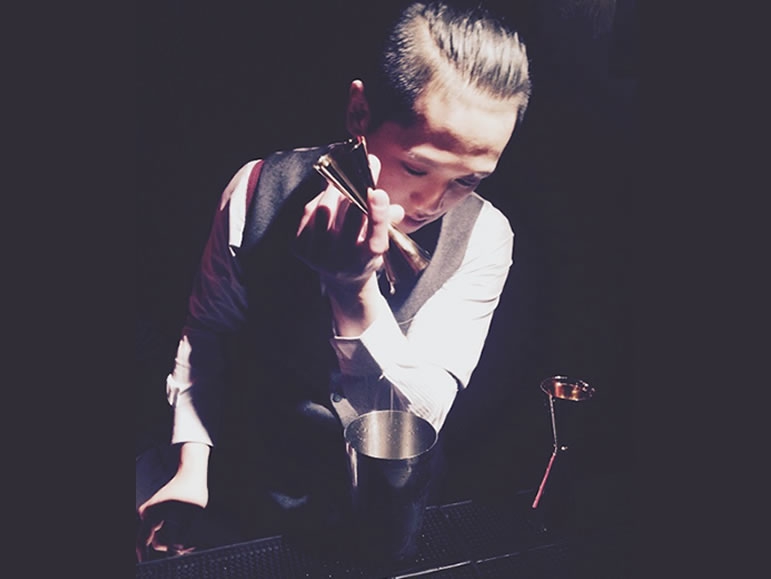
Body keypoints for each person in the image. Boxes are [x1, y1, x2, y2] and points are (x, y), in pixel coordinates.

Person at [136, 0, 532, 561]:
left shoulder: (486, 235)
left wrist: (355, 292)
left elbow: (418, 419)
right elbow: (207, 334)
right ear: (359, 112)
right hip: (245, 492)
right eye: (417, 167)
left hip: (385, 512)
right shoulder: (256, 188)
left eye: (468, 180)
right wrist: (190, 466)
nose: (431, 202)